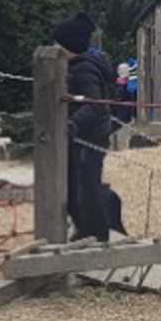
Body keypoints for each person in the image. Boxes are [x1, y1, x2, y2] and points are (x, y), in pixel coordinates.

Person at [54, 13, 117, 241]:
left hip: (90, 135)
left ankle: (98, 234)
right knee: (73, 183)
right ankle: (84, 228)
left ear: (68, 46)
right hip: (81, 134)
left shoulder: (84, 69)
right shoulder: (73, 67)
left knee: (87, 185)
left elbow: (94, 102)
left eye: (58, 44)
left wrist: (74, 123)